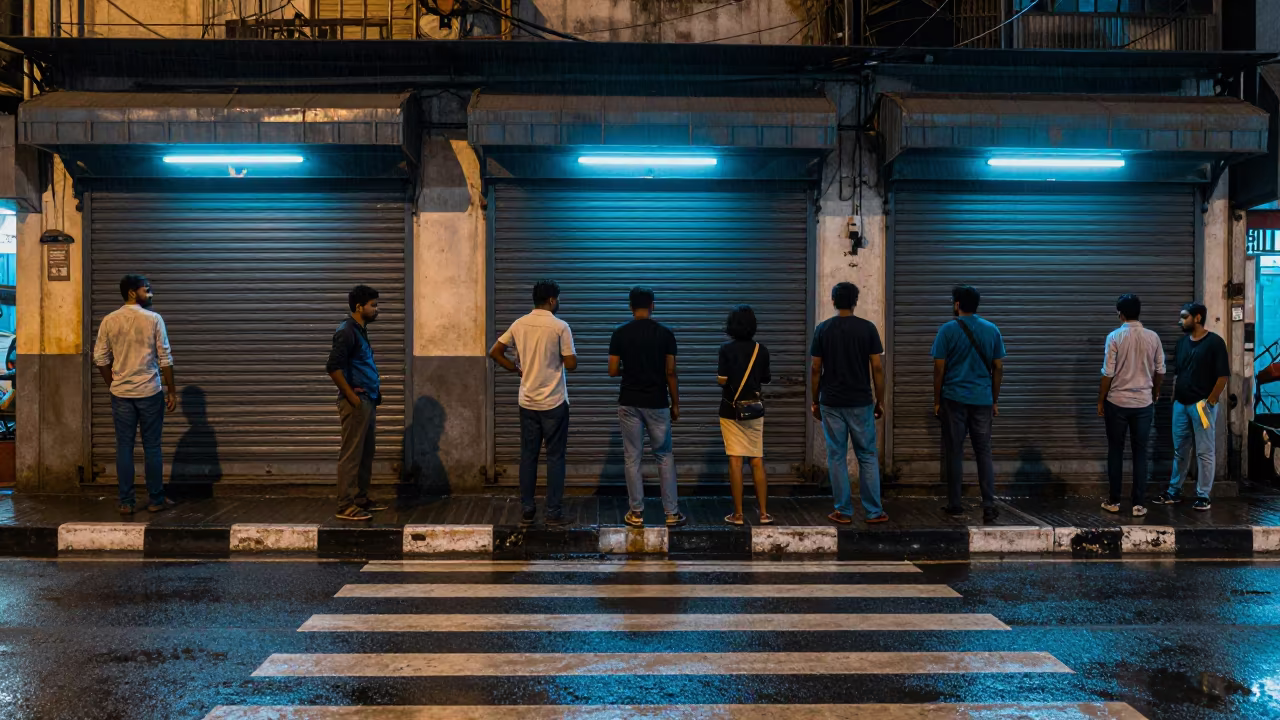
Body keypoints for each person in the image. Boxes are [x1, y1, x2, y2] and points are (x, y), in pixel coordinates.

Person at [490, 279, 578, 528]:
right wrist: (560, 356)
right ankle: (553, 512)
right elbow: (571, 364)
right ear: (551, 300)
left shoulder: (519, 324)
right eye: (557, 299)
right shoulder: (560, 326)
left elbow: (494, 352)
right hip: (554, 402)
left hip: (527, 401)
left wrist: (515, 368)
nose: (558, 303)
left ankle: (527, 510)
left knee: (528, 456)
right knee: (555, 457)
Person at [92, 274, 177, 515]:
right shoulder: (153, 319)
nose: (151, 294)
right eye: (146, 290)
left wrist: (113, 384)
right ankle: (156, 499)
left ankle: (126, 502)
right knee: (152, 447)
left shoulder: (110, 320)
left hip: (121, 394)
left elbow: (100, 358)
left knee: (124, 447)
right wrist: (171, 390)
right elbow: (165, 357)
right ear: (132, 292)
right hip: (149, 392)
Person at [811, 282, 888, 525]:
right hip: (861, 401)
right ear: (855, 302)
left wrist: (815, 400)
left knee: (836, 456)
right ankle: (874, 511)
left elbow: (815, 368)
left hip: (831, 402)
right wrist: (880, 400)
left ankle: (843, 511)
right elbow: (877, 367)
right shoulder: (868, 329)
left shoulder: (822, 329)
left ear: (833, 301)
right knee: (867, 455)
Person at [608, 287, 685, 528]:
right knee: (664, 455)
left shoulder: (619, 333)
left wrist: (630, 371)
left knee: (633, 458)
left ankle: (636, 513)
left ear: (630, 306)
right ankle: (671, 513)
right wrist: (676, 403)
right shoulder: (665, 334)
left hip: (629, 401)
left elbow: (612, 370)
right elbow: (670, 372)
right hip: (657, 402)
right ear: (653, 305)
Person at [932, 284, 1006, 523]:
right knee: (983, 451)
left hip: (954, 399)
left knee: (954, 451)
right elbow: (998, 367)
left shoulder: (947, 330)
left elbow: (938, 368)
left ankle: (955, 504)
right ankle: (988, 505)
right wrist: (993, 400)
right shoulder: (992, 330)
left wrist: (937, 400)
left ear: (956, 304)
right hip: (983, 400)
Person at [1152, 301, 1229, 510]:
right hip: (1181, 405)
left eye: (1184, 316)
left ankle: (1203, 495)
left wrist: (1209, 403)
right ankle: (1173, 492)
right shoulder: (1182, 343)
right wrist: (1175, 398)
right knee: (1180, 451)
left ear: (1197, 318)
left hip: (1202, 406)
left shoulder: (1215, 343)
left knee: (1204, 452)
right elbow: (1179, 373)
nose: (1180, 321)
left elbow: (1222, 377)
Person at [1097, 293, 1165, 517]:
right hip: (1143, 404)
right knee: (1140, 453)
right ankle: (1138, 504)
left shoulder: (1115, 337)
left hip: (1117, 402)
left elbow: (1108, 372)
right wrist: (1155, 392)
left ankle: (1114, 501)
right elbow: (1160, 370)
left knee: (1115, 451)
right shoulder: (1153, 337)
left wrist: (1101, 399)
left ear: (1121, 314)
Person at [326, 285, 389, 521]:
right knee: (352, 453)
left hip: (367, 399)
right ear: (359, 307)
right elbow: (333, 367)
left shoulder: (359, 330)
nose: (377, 309)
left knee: (365, 452)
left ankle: (360, 498)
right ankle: (345, 505)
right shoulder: (347, 331)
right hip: (356, 402)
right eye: (373, 305)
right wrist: (352, 397)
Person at [718, 304, 772, 526]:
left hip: (731, 409)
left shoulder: (726, 349)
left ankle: (738, 515)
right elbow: (766, 379)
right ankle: (763, 514)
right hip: (754, 410)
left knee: (735, 461)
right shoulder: (762, 350)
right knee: (757, 460)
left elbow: (722, 380)